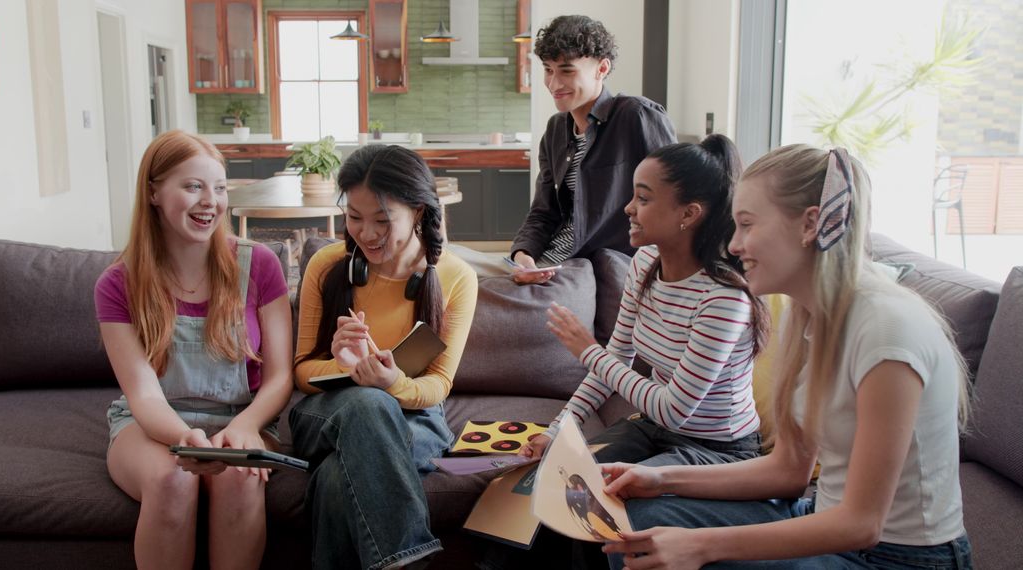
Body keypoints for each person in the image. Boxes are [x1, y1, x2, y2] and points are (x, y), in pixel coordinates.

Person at [600, 145, 974, 569]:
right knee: (637, 525)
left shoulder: (887, 330)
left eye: (745, 225)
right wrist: (656, 479)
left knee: (672, 550)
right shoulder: (806, 316)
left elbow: (862, 523)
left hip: (898, 558)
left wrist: (701, 545)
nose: (734, 245)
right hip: (824, 523)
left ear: (810, 224)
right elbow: (788, 472)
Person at [95, 130, 294, 569]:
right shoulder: (117, 284)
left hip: (240, 418)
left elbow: (280, 377)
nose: (211, 201)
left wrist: (247, 426)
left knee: (240, 479)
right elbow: (144, 395)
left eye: (219, 188)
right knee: (171, 479)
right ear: (153, 192)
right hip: (151, 425)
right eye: (192, 186)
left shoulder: (260, 263)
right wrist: (183, 438)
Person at [527, 134, 767, 471]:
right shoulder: (643, 263)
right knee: (553, 476)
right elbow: (617, 358)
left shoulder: (724, 299)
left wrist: (588, 351)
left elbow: (675, 409)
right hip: (657, 429)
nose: (628, 208)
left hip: (719, 450)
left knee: (601, 505)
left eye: (643, 198)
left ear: (689, 213)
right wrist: (556, 431)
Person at [290, 145, 479, 570]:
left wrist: (390, 382)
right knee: (367, 402)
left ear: (417, 211)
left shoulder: (455, 277)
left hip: (417, 418)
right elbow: (302, 371)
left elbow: (438, 385)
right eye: (354, 218)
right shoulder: (326, 265)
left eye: (381, 220)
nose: (366, 233)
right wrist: (346, 365)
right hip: (326, 413)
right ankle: (409, 562)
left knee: (338, 480)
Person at [509, 14, 676, 285]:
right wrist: (523, 255)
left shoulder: (636, 116)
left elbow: (674, 199)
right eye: (548, 70)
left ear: (601, 68)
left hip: (598, 269)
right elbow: (543, 211)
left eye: (567, 70)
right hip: (552, 263)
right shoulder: (555, 130)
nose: (553, 84)